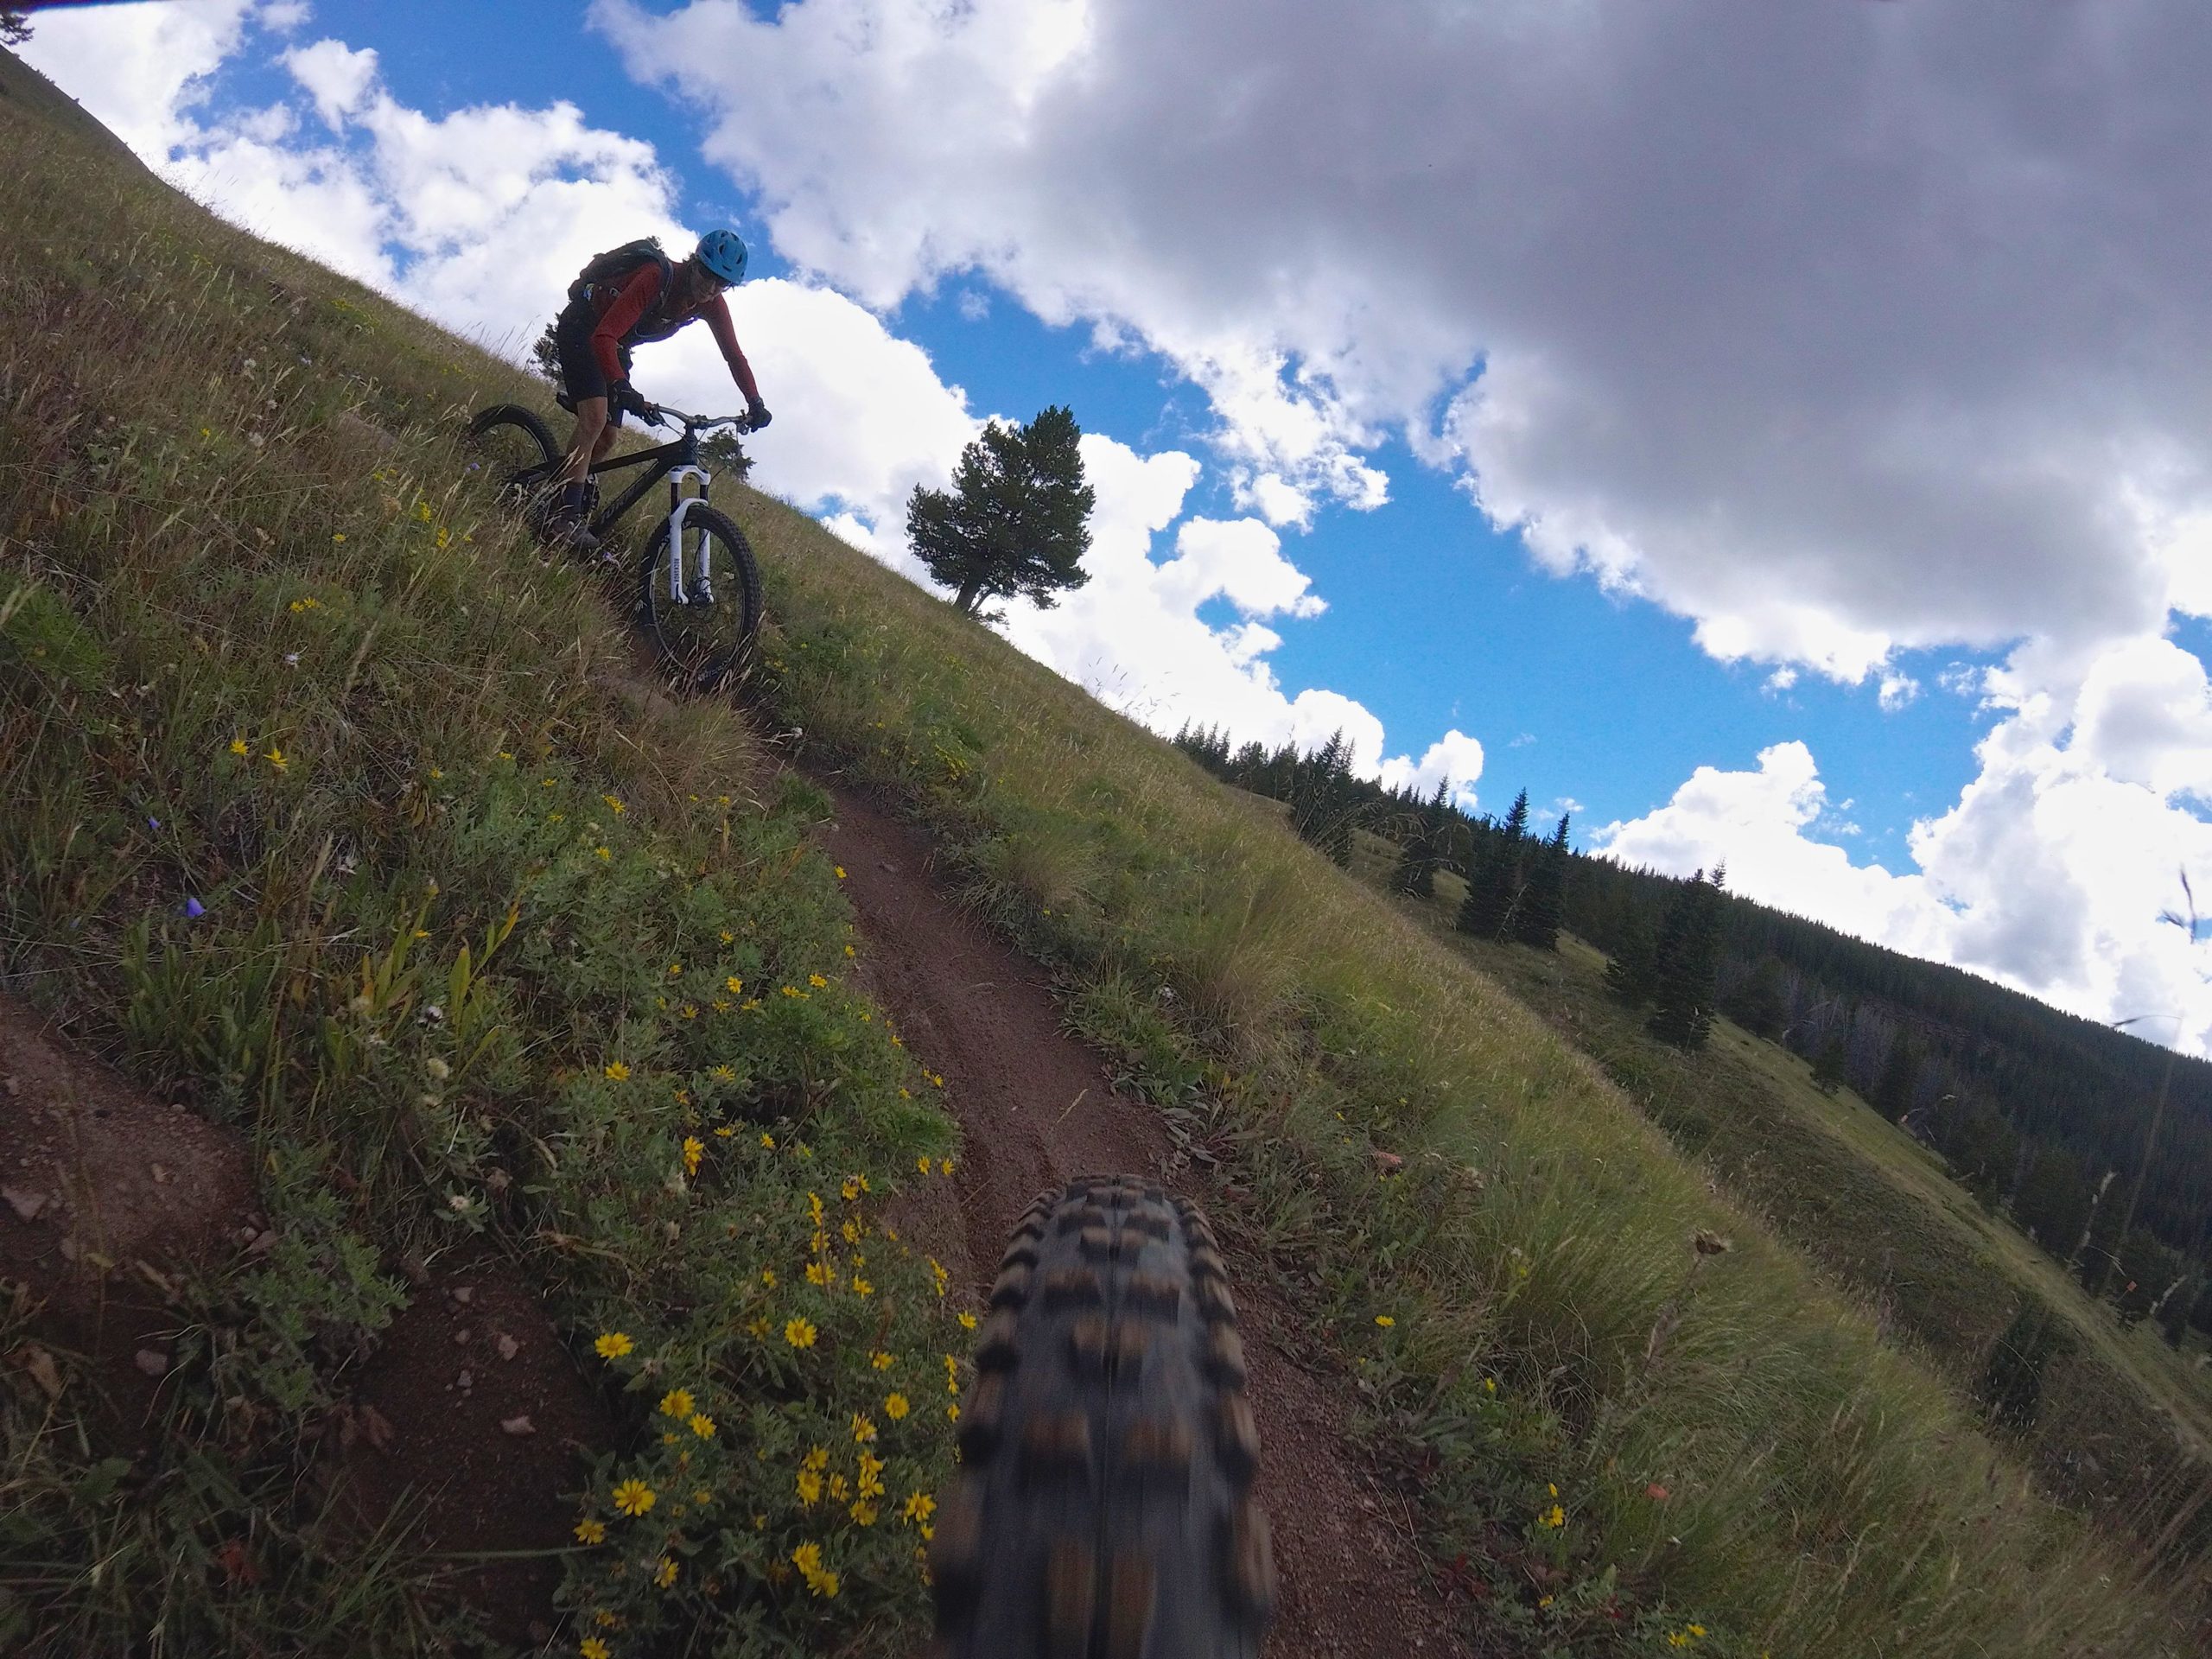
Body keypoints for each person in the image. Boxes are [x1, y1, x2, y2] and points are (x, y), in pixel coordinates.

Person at [549, 228, 771, 550]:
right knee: (594, 419)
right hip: (586, 328)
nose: (710, 288)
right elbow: (603, 336)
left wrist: (755, 401)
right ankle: (564, 518)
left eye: (721, 283)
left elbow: (734, 355)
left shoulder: (711, 303)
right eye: (707, 274)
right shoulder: (656, 277)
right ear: (695, 263)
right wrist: (620, 385)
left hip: (616, 343)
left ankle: (560, 488)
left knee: (608, 438)